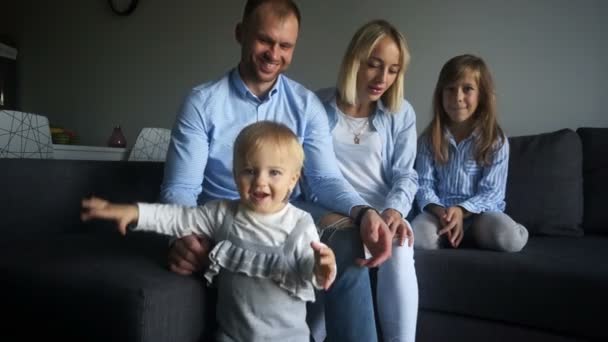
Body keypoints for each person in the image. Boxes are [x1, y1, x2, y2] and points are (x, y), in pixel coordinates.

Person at [160, 0, 391, 340]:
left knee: (349, 245)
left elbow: (325, 180)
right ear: (240, 34)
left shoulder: (306, 105)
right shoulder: (202, 102)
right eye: (265, 41)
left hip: (290, 213)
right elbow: (181, 188)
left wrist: (364, 211)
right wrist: (179, 236)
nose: (274, 54)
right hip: (228, 215)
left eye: (285, 46)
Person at [81, 121, 337, 342]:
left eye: (274, 173)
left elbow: (308, 269)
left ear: (293, 179)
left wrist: (322, 267)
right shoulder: (222, 213)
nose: (260, 181)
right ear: (235, 174)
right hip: (230, 336)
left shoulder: (299, 224)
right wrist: (133, 212)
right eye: (249, 170)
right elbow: (178, 218)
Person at [314, 19, 419, 342]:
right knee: (331, 246)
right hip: (334, 210)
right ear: (355, 60)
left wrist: (395, 211)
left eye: (393, 70)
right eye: (374, 65)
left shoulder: (401, 113)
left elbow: (405, 174)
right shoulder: (316, 105)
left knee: (400, 247)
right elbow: (310, 176)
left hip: (384, 208)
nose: (382, 78)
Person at [412, 54, 529, 252]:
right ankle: (448, 236)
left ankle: (509, 231)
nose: (457, 97)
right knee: (416, 239)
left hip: (480, 217)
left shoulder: (495, 140)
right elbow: (423, 185)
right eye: (450, 89)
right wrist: (444, 213)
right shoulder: (428, 139)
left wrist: (462, 210)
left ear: (481, 95)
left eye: (467, 89)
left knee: (510, 240)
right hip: (439, 216)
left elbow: (492, 192)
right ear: (440, 94)